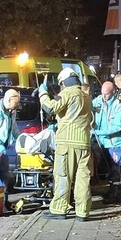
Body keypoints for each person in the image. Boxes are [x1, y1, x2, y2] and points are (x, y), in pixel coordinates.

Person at [38, 67, 94, 220]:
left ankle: (59, 208)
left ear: (64, 82)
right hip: (84, 143)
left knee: (63, 175)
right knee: (83, 179)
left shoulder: (68, 93)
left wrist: (43, 94)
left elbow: (50, 108)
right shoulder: (86, 96)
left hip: (67, 143)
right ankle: (82, 211)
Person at [93, 81, 121, 202]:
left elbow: (118, 127)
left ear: (113, 92)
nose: (104, 97)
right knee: (106, 169)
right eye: (102, 93)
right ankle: (110, 192)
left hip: (115, 143)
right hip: (102, 143)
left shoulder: (118, 106)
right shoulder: (98, 101)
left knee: (116, 170)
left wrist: (98, 132)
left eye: (106, 94)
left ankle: (115, 195)